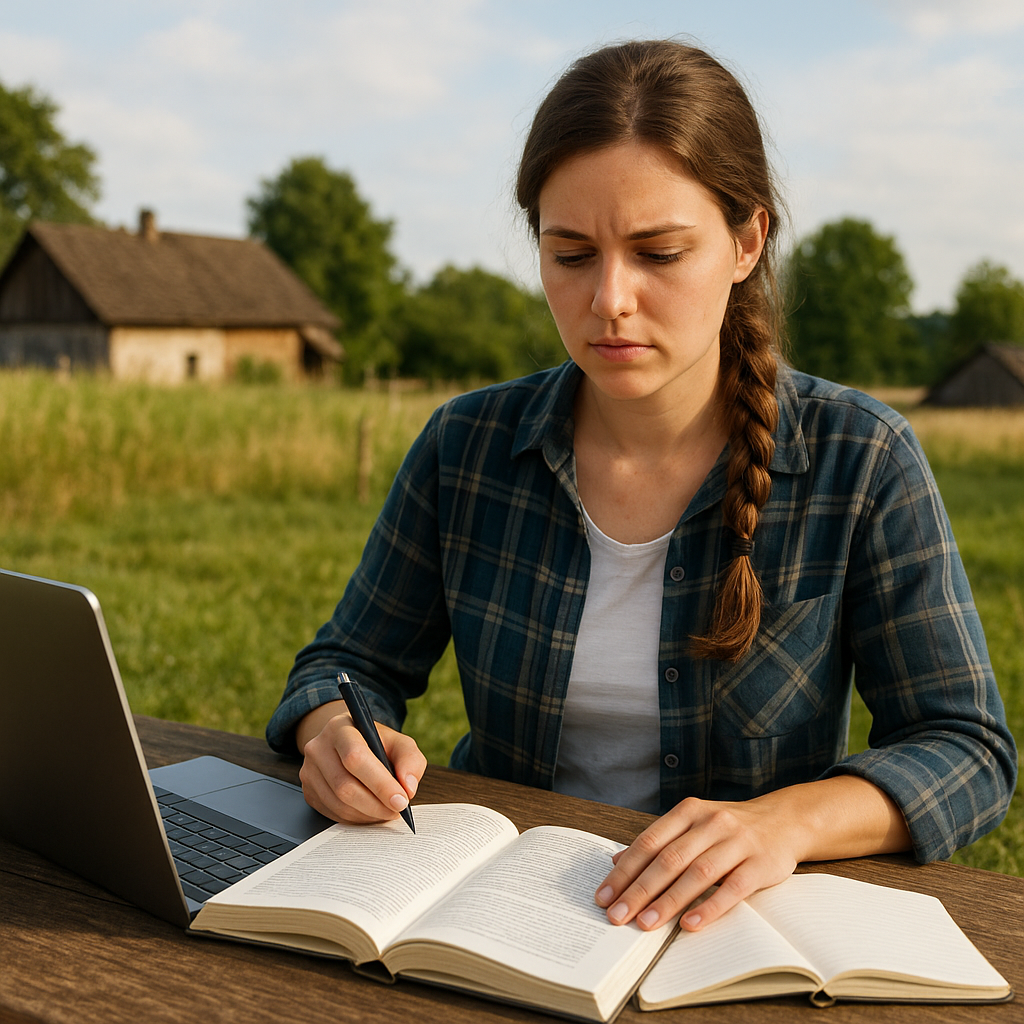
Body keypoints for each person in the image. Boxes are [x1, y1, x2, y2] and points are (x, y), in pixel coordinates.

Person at [267, 40, 1016, 936]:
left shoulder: (862, 458)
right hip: (493, 916)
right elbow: (345, 666)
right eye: (571, 254)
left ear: (747, 242)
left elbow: (966, 750)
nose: (609, 300)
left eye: (658, 253)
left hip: (727, 930)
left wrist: (784, 824)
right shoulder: (465, 447)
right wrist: (332, 734)